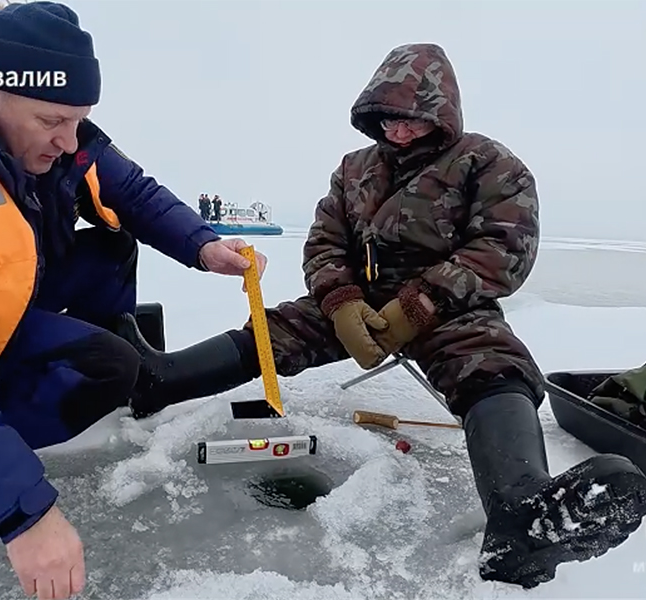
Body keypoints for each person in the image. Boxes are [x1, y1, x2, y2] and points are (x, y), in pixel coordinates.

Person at [115, 43, 646, 588]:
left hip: (451, 309)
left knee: (494, 364)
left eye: (410, 120)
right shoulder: (353, 170)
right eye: (386, 118)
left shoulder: (489, 164)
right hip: (358, 302)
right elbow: (324, 243)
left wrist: (419, 305)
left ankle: (519, 509)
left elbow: (505, 247)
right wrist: (341, 302)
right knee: (277, 332)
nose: (396, 131)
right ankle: (161, 380)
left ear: (440, 115)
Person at [0, 3, 266, 599]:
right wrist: (21, 512)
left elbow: (133, 190)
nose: (68, 140)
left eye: (79, 120)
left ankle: (103, 378)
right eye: (52, 120)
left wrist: (204, 245)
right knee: (109, 367)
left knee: (112, 248)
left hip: (2, 303)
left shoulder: (55, 131)